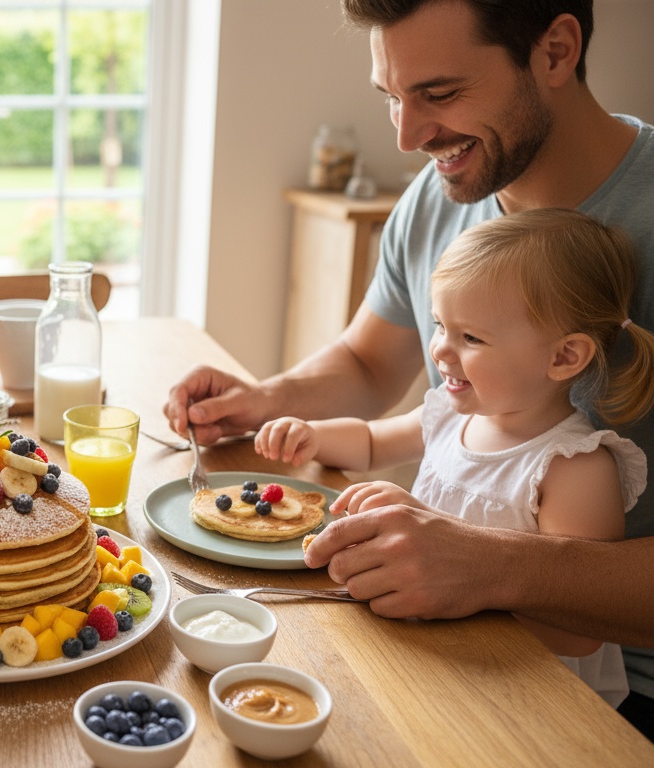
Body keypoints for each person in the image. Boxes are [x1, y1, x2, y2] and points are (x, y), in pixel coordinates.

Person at [163, 0, 654, 733]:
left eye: (440, 93)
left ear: (556, 51)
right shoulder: (444, 188)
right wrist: (265, 398)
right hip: (448, 640)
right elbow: (368, 361)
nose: (407, 135)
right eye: (392, 97)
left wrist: (490, 567)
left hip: (610, 698)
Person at [256, 210, 653, 707]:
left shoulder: (576, 467)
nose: (441, 350)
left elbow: (576, 634)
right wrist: (312, 434)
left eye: (471, 338)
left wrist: (445, 546)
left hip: (527, 698)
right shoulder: (450, 412)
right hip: (441, 661)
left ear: (564, 357)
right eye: (440, 325)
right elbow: (372, 442)